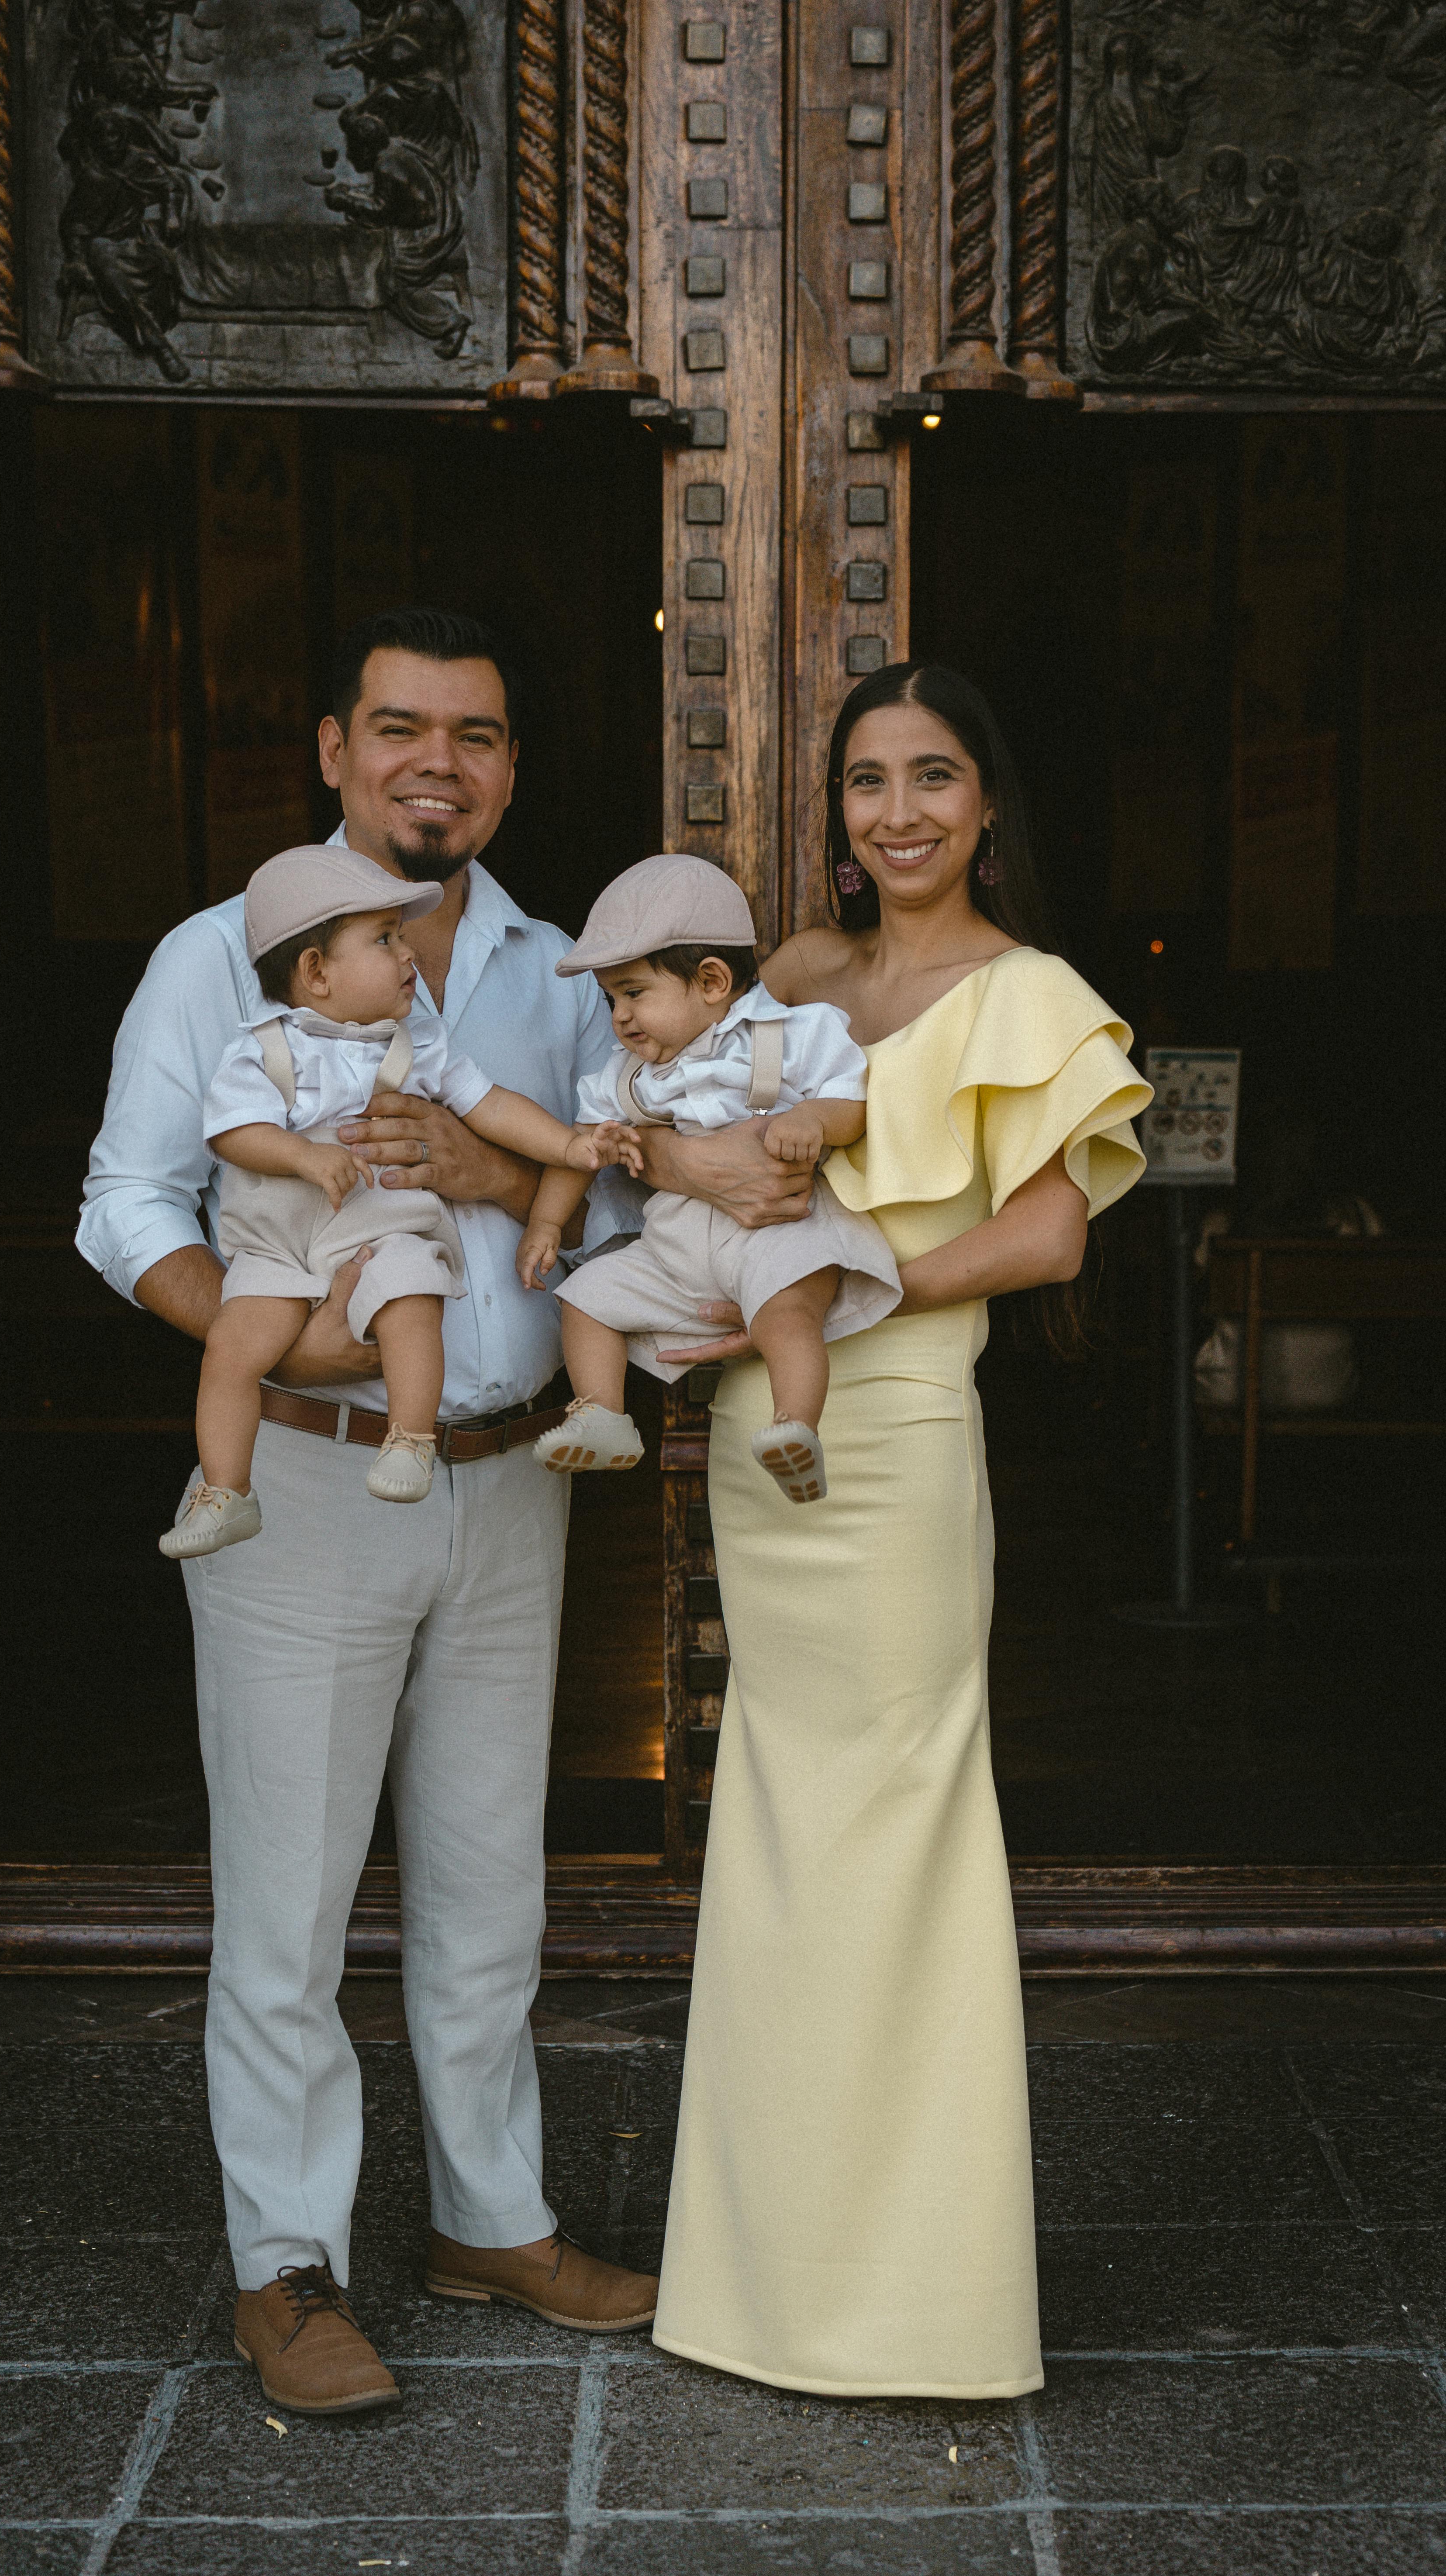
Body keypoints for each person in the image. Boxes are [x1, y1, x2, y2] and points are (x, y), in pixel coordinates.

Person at [77, 607, 682, 2416]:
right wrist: (269, 1341)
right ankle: (288, 2260)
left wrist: (499, 1168)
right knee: (288, 1896)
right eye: (400, 727)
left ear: (507, 766)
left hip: (507, 1482)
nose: (439, 760)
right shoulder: (218, 956)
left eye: (476, 734)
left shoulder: (569, 970)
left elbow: (637, 1232)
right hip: (308, 1479)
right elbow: (125, 1198)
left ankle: (490, 2212)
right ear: (331, 750)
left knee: (491, 1887)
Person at [652, 663, 1150, 2396]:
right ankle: (758, 2282)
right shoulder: (784, 973)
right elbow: (673, 1150)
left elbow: (1045, 1239)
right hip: (752, 1430)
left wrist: (850, 1289)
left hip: (898, 1428)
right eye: (866, 779)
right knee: (778, 1816)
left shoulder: (1030, 995)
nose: (897, 810)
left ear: (985, 799)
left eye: (932, 774)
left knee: (898, 1816)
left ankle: (918, 2299)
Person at [162, 843, 634, 1546]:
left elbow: (491, 1105)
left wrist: (567, 1147)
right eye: (384, 939)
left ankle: (408, 1440)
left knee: (411, 1299)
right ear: (316, 973)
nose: (406, 954)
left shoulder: (417, 1043)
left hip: (385, 1230)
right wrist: (300, 1153)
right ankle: (226, 1488)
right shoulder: (262, 1048)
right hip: (281, 1247)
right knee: (232, 1348)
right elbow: (232, 1132)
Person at [517, 854, 901, 1504]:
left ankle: (796, 1427)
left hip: (779, 1231)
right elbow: (579, 1152)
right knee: (584, 1298)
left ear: (713, 981)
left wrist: (813, 1119)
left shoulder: (789, 1035)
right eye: (611, 999)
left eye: (634, 993)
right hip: (676, 1246)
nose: (620, 1018)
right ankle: (602, 1414)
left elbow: (851, 1103)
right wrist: (546, 1221)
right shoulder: (624, 1076)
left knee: (787, 1317)